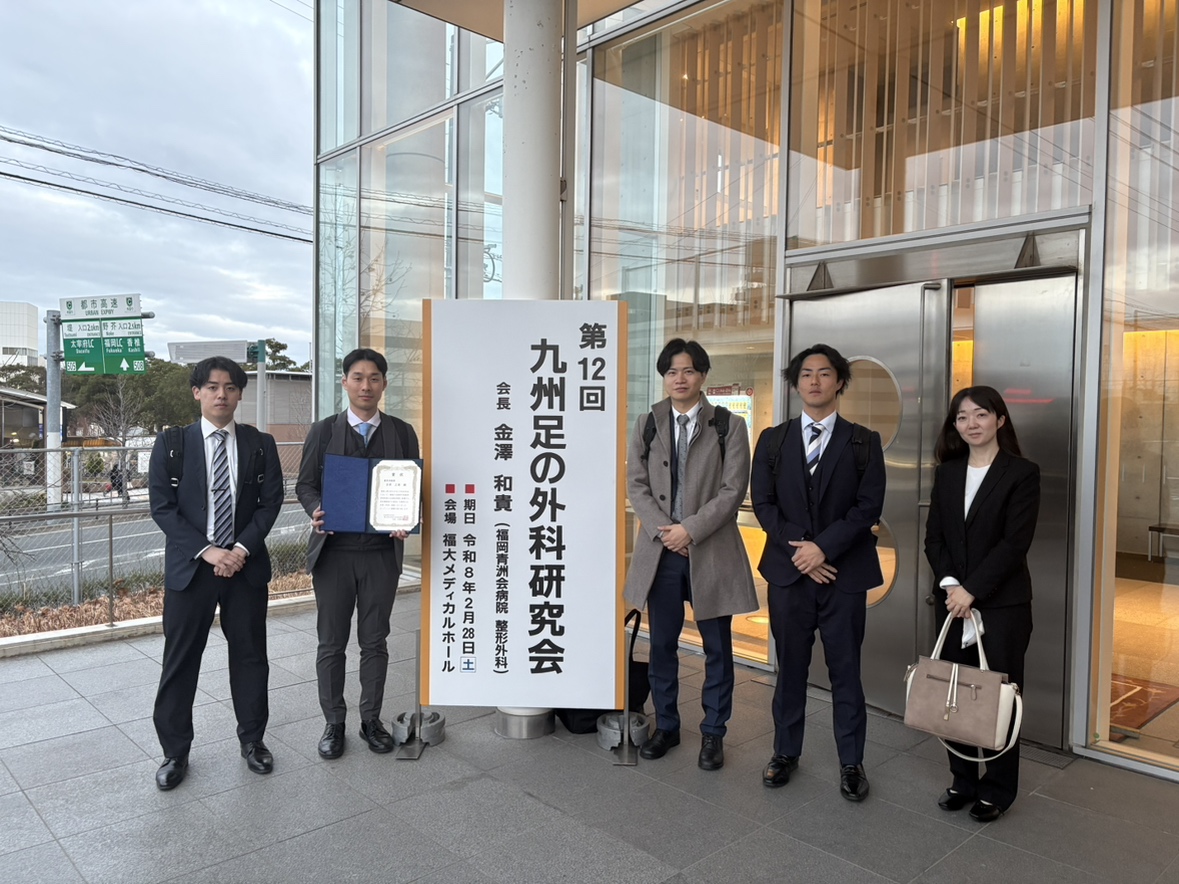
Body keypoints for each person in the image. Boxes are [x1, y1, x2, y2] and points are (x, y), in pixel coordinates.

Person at [750, 343, 885, 801]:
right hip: (789, 576)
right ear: (795, 383)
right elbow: (763, 504)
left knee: (846, 670)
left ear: (840, 382)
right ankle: (785, 752)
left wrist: (822, 549)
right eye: (806, 374)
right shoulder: (773, 440)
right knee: (790, 668)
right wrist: (801, 550)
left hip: (843, 577)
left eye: (825, 373)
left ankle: (851, 762)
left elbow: (868, 507)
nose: (814, 381)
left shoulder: (864, 441)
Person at [148, 356, 283, 790]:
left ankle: (253, 741)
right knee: (180, 660)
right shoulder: (172, 444)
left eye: (229, 387)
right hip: (192, 569)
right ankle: (174, 752)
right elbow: (162, 508)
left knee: (250, 657)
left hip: (244, 568)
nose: (221, 394)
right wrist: (209, 552)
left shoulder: (260, 444)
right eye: (211, 387)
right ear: (197, 393)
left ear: (240, 394)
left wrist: (239, 549)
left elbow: (270, 503)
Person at [623, 338, 757, 771]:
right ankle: (667, 726)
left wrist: (690, 530)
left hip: (710, 550)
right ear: (664, 378)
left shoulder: (729, 426)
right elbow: (636, 484)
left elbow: (733, 490)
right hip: (661, 552)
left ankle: (714, 732)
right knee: (662, 645)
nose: (679, 379)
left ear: (702, 376)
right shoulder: (647, 423)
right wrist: (666, 532)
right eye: (671, 372)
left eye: (688, 371)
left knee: (717, 648)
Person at [296, 348, 420, 759]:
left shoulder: (402, 432)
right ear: (345, 382)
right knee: (331, 643)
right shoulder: (324, 431)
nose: (366, 385)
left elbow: (412, 484)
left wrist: (407, 517)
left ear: (384, 384)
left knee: (375, 641)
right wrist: (316, 508)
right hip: (334, 554)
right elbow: (305, 484)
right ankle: (334, 723)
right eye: (358, 377)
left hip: (381, 554)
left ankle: (371, 720)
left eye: (374, 378)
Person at [924, 385, 1039, 822]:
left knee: (998, 696)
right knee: (955, 689)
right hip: (953, 602)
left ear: (1000, 419)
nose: (971, 424)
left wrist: (972, 591)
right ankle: (963, 779)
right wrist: (952, 586)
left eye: (980, 415)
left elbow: (1014, 544)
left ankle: (998, 788)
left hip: (1002, 606)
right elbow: (934, 538)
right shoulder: (948, 473)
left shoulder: (1022, 473)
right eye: (962, 417)